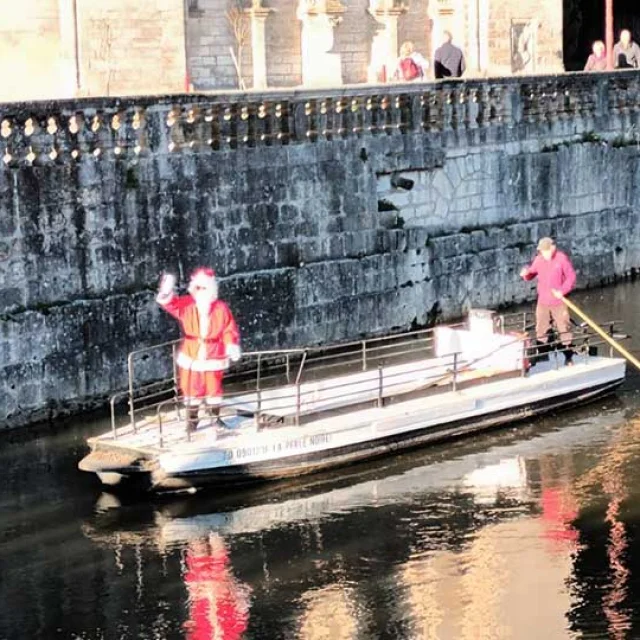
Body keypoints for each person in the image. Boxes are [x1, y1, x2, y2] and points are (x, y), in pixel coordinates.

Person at [157, 267, 241, 433]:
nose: (200, 291)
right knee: (191, 388)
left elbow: (228, 329)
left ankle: (215, 419)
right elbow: (171, 305)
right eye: (197, 288)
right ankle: (192, 422)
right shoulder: (187, 304)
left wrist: (231, 345)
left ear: (211, 289)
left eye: (204, 288)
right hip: (192, 352)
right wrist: (166, 291)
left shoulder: (221, 308)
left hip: (214, 353)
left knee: (213, 389)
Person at [520, 237, 577, 366]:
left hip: (558, 301)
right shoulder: (539, 259)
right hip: (543, 301)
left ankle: (568, 357)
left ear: (552, 248)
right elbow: (531, 273)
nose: (543, 254)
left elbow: (571, 277)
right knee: (541, 329)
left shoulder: (561, 259)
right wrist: (525, 274)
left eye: (545, 251)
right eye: (541, 251)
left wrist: (562, 291)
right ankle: (542, 356)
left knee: (564, 328)